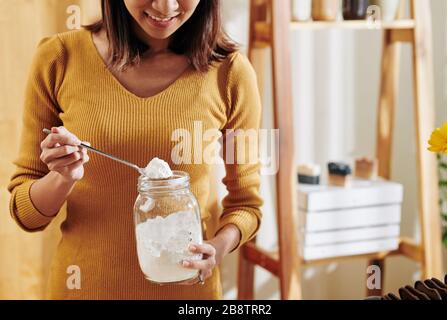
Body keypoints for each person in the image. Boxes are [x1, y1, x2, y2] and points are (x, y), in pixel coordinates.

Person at [8, 0, 263, 299]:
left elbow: (246, 205)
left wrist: (218, 248)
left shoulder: (231, 72)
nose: (165, 6)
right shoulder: (59, 57)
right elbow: (26, 216)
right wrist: (62, 177)